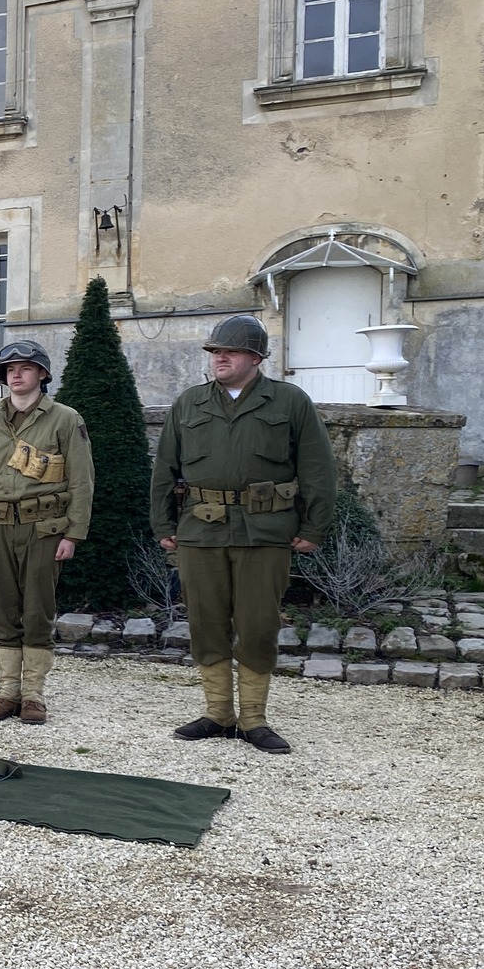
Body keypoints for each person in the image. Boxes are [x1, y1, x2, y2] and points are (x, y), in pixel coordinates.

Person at [149, 314, 337, 754]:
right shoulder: (189, 404)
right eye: (215, 352)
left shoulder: (289, 402)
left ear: (255, 357)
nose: (219, 359)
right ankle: (218, 713)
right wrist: (163, 524)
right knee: (205, 623)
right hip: (201, 530)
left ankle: (253, 719)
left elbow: (318, 469)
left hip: (265, 532)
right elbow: (164, 470)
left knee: (257, 625)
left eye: (228, 352)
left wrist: (313, 526)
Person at [0, 340, 95, 724]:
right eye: (10, 369)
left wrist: (73, 534)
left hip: (43, 528)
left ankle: (33, 695)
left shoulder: (65, 419)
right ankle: (6, 693)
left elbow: (82, 481)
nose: (16, 374)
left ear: (43, 374)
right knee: (2, 611)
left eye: (26, 368)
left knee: (37, 611)